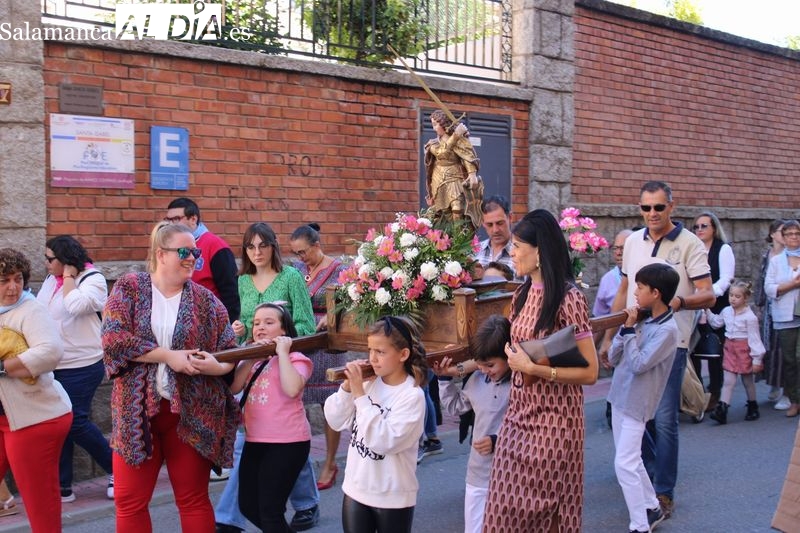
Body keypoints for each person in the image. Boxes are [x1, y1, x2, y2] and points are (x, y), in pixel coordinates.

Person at [101, 222, 240, 533]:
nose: (192, 258)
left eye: (195, 253)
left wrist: (213, 367)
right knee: (129, 500)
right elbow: (113, 339)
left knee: (193, 499)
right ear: (161, 254)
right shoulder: (129, 287)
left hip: (191, 413)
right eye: (184, 252)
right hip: (135, 413)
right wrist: (168, 356)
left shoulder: (205, 300)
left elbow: (229, 354)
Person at [602, 181, 714, 520]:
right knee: (634, 415)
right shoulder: (633, 241)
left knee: (664, 420)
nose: (652, 213)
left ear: (671, 207)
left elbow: (708, 294)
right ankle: (646, 480)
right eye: (646, 207)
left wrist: (678, 302)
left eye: (659, 207)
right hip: (634, 338)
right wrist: (609, 336)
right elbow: (624, 289)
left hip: (669, 341)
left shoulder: (690, 242)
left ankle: (663, 491)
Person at [483, 209, 599, 532]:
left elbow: (590, 373)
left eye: (518, 246)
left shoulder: (569, 299)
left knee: (543, 513)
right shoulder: (520, 294)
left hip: (554, 424)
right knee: (500, 512)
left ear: (540, 251)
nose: (512, 252)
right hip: (517, 416)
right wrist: (464, 367)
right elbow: (512, 355)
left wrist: (534, 368)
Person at [217, 222, 319, 533]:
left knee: (286, 435)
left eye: (263, 245)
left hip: (284, 363)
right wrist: (240, 332)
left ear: (273, 246)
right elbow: (248, 328)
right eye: (251, 247)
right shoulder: (243, 281)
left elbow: (305, 325)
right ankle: (240, 513)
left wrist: (282, 346)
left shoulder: (290, 277)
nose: (257, 252)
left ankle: (303, 503)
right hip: (253, 366)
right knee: (261, 438)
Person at [324, 316, 427, 533]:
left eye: (380, 352)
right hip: (356, 488)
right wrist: (347, 388)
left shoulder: (411, 395)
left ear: (403, 355)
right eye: (370, 350)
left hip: (392, 496)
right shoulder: (368, 382)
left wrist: (359, 395)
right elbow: (335, 420)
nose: (372, 358)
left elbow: (384, 441)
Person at [36, 235, 114, 503]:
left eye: (50, 259)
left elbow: (76, 305)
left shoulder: (93, 280)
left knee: (75, 421)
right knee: (59, 423)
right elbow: (40, 311)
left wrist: (69, 277)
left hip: (82, 364)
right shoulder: (50, 280)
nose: (46, 264)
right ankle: (63, 486)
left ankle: (118, 469)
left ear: (66, 260)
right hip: (53, 364)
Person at [0, 248, 73, 533]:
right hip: (6, 418)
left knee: (39, 501)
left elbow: (50, 352)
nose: (13, 287)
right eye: (4, 280)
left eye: (18, 279)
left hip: (36, 418)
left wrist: (3, 367)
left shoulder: (30, 310)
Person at [607, 263, 680, 533]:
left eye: (640, 287)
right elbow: (613, 357)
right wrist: (624, 330)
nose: (635, 292)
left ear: (656, 293)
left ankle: (639, 524)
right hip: (619, 395)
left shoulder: (667, 330)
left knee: (624, 464)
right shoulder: (642, 318)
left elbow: (639, 364)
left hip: (638, 402)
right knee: (632, 459)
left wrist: (629, 331)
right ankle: (651, 505)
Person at [231, 303, 312, 532]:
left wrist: (282, 352)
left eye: (269, 322)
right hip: (255, 441)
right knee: (248, 506)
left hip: (288, 443)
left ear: (284, 329)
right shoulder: (253, 359)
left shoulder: (297, 358)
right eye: (256, 323)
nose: (260, 327)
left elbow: (292, 388)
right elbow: (235, 387)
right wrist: (250, 356)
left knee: (270, 512)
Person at [432, 314, 511, 533]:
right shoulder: (477, 378)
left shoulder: (523, 383)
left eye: (490, 365)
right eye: (480, 365)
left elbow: (531, 426)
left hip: (512, 474)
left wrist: (497, 440)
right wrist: (445, 379)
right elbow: (456, 406)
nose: (484, 370)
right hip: (478, 473)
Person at [289, 223, 348, 491]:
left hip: (327, 343)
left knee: (329, 404)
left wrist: (332, 314)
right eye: (296, 253)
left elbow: (352, 302)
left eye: (303, 252)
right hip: (301, 339)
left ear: (316, 245)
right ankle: (300, 461)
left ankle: (330, 462)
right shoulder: (296, 270)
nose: (300, 257)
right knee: (297, 400)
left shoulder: (339, 270)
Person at [165, 197, 240, 324]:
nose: (171, 225)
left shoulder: (216, 246)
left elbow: (230, 293)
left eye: (176, 219)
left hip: (209, 322)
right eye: (168, 220)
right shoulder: (169, 246)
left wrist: (226, 326)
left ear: (193, 219)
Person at [690, 211, 735, 414]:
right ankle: (697, 392)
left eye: (704, 226)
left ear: (714, 228)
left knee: (715, 351)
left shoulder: (723, 249)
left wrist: (707, 295)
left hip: (716, 306)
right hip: (694, 307)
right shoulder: (693, 249)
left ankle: (716, 392)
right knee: (694, 351)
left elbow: (726, 279)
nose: (699, 230)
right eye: (696, 227)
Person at [705, 280, 766, 424]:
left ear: (746, 298)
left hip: (744, 350)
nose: (733, 299)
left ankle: (752, 406)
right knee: (728, 381)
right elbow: (716, 323)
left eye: (737, 296)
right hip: (730, 349)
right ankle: (722, 410)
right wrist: (707, 310)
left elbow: (755, 339)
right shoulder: (726, 311)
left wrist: (757, 359)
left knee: (747, 380)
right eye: (731, 295)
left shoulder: (750, 318)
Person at [424, 110, 483, 231]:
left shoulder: (460, 141)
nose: (434, 128)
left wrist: (472, 174)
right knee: (445, 211)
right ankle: (452, 236)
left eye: (435, 124)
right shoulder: (433, 144)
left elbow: (467, 155)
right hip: (438, 178)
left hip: (455, 177)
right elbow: (442, 153)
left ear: (444, 124)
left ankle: (459, 236)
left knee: (458, 208)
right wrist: (456, 135)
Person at [764, 219, 800, 418]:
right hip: (785, 316)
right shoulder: (776, 261)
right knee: (789, 360)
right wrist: (792, 285)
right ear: (783, 238)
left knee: (799, 357)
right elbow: (769, 289)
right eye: (789, 234)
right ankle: (794, 400)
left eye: (797, 233)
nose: (794, 237)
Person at [755, 219, 789, 410]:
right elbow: (760, 281)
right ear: (773, 234)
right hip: (768, 309)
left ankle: (786, 390)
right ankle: (774, 383)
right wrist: (759, 305)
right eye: (781, 231)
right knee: (768, 347)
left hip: (784, 305)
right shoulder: (766, 255)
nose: (785, 235)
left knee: (783, 348)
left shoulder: (789, 255)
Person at [593, 229, 633, 318]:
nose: (618, 253)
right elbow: (599, 318)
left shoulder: (646, 275)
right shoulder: (607, 279)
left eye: (623, 248)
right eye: (615, 248)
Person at [473, 196, 514, 277]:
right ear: (482, 222)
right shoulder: (474, 252)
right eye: (489, 225)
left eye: (500, 223)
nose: (495, 230)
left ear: (510, 218)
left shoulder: (522, 253)